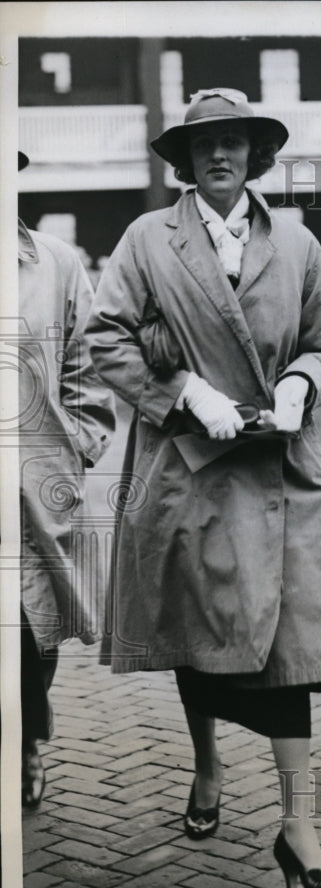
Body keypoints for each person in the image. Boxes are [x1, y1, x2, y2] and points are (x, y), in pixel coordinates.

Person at [84, 89, 321, 888]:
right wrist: (185, 391)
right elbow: (104, 338)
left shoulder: (296, 241)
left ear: (256, 152)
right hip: (192, 469)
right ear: (184, 157)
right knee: (202, 627)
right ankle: (208, 768)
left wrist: (297, 384)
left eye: (236, 141)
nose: (220, 154)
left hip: (283, 469)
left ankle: (299, 825)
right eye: (205, 143)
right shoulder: (148, 239)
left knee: (288, 648)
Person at [17, 150, 116, 807]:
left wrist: (77, 446)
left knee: (34, 627)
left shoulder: (53, 262)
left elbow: (88, 366)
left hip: (36, 482)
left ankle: (26, 740)